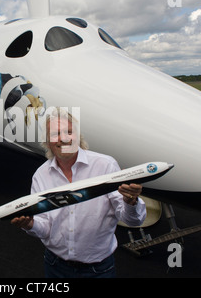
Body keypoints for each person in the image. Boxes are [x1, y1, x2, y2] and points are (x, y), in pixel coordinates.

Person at [11, 108, 146, 278]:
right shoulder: (41, 175)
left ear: (78, 136)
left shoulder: (105, 166)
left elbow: (133, 220)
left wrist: (130, 201)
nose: (64, 138)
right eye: (55, 134)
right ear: (47, 141)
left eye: (69, 132)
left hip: (99, 270)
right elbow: (45, 228)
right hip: (55, 267)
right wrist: (30, 224)